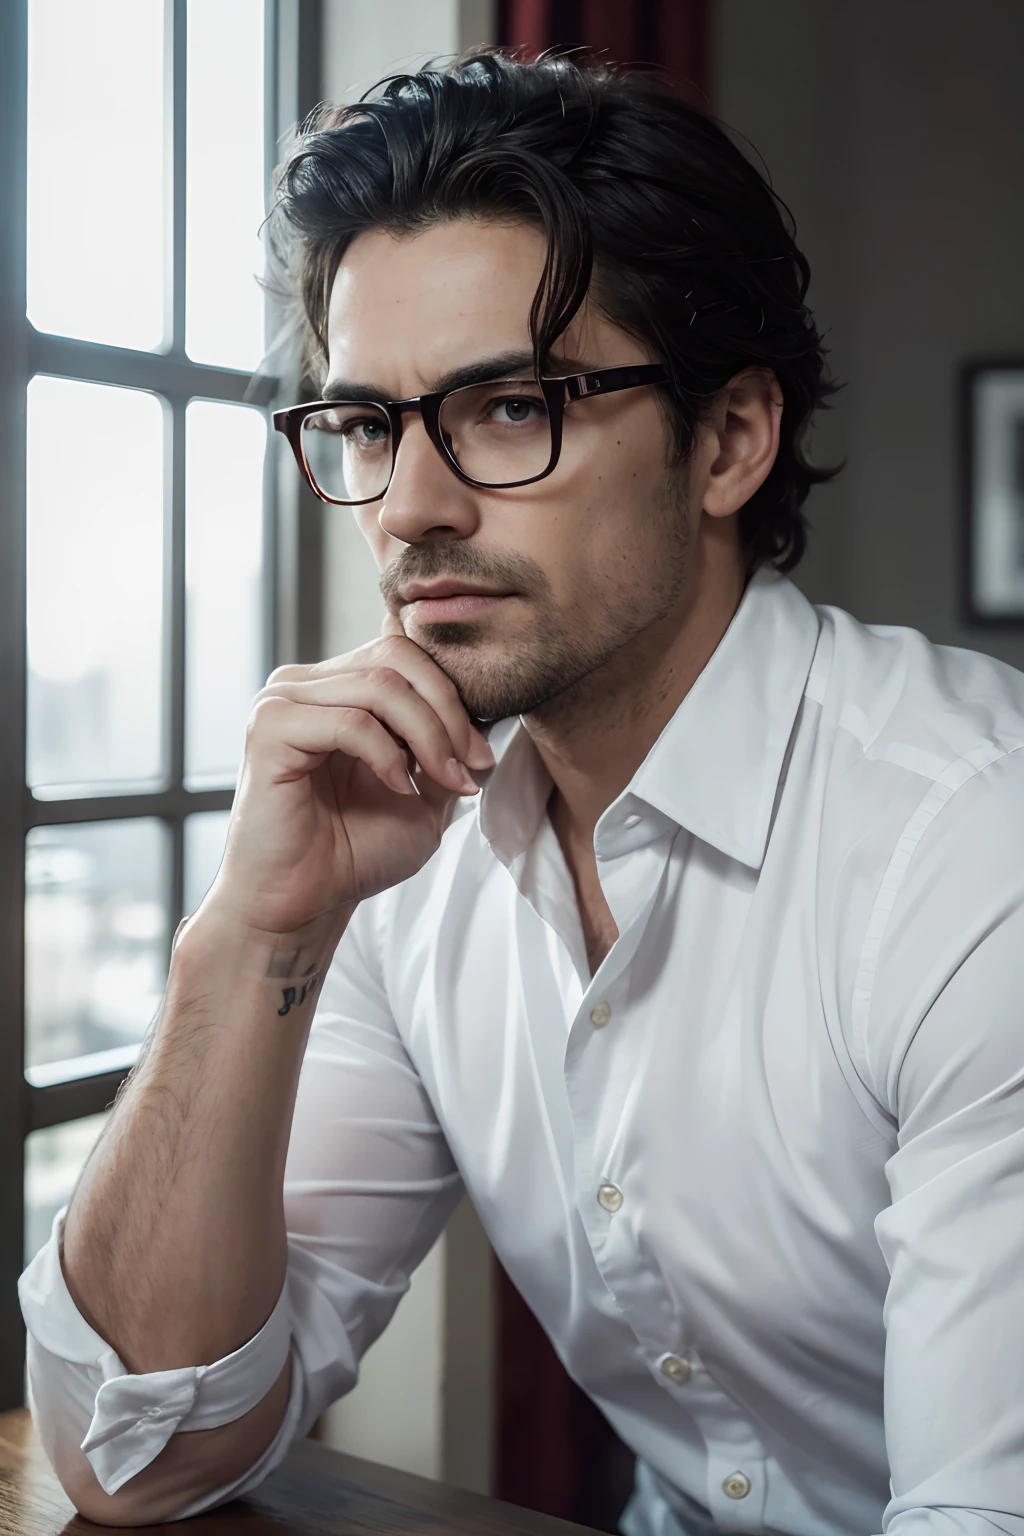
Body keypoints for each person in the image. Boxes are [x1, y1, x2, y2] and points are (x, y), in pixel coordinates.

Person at [20, 48, 1024, 1536]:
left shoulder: (972, 843)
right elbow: (138, 1454)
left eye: (509, 407)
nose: (411, 507)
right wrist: (253, 937)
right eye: (365, 426)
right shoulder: (390, 849)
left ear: (731, 440)